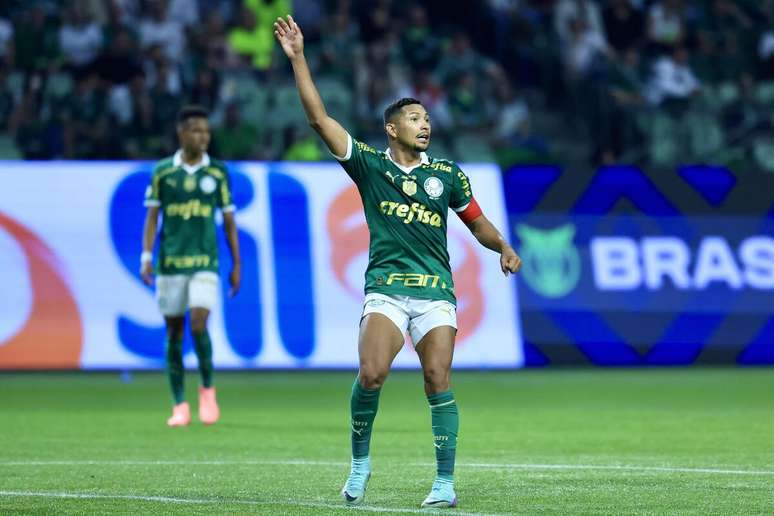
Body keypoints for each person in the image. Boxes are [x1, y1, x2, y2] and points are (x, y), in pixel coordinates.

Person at [274, 16, 522, 509]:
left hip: (435, 291)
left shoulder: (447, 175)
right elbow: (320, 120)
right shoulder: (370, 165)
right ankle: (360, 464)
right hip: (386, 288)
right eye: (414, 118)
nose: (424, 124)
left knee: (437, 379)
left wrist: (504, 247)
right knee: (371, 374)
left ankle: (445, 483)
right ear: (392, 129)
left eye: (426, 118)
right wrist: (299, 58)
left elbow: (477, 223)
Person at [140, 105, 241, 427]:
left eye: (207, 131)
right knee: (173, 331)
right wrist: (146, 256)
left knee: (198, 322)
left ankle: (207, 391)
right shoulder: (163, 172)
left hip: (205, 262)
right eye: (197, 131)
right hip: (170, 263)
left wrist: (236, 263)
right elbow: (152, 217)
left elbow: (228, 221)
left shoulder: (217, 173)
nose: (204, 136)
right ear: (182, 134)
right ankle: (179, 404)